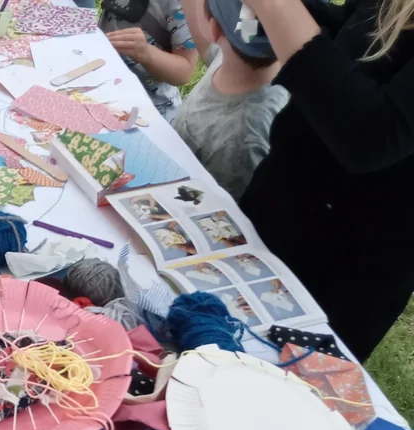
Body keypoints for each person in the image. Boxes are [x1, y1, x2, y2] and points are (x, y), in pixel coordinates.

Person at [239, 0, 414, 361]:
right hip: (280, 202)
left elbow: (373, 135)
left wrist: (275, 7)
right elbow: (355, 30)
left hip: (345, 268)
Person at [174, 0, 289, 200]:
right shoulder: (234, 57)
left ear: (215, 29)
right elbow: (207, 47)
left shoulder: (243, 144)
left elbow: (223, 212)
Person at [98, 0, 199, 121]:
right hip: (101, 91)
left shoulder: (184, 4)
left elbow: (184, 73)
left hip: (149, 112)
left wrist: (145, 52)